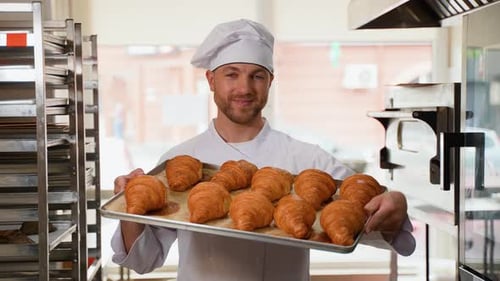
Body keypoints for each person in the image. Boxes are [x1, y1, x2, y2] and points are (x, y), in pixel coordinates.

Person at [111, 18, 416, 281]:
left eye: (256, 75)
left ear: (270, 81)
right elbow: (142, 261)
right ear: (210, 80)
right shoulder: (179, 164)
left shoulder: (308, 159)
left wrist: (396, 204)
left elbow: (374, 222)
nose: (244, 88)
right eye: (231, 74)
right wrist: (128, 209)